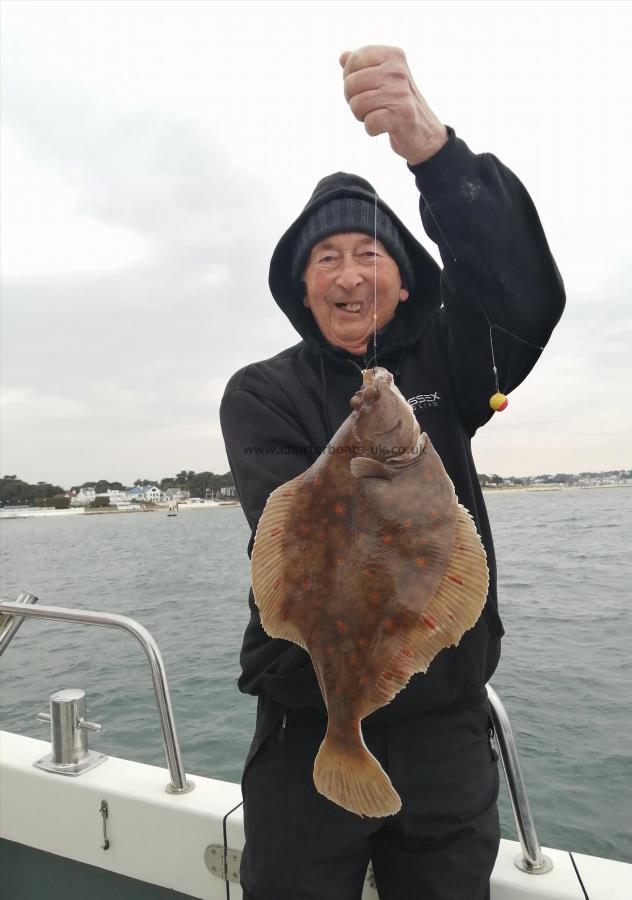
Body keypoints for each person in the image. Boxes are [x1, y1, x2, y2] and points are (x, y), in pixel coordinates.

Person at [220, 45, 565, 900]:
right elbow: (294, 532)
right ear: (302, 287)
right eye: (325, 258)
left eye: (367, 254)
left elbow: (522, 298)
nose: (347, 273)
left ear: (406, 283)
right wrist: (375, 443)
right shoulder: (265, 392)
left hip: (443, 734)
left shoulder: (449, 365)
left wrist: (434, 154)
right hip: (310, 726)